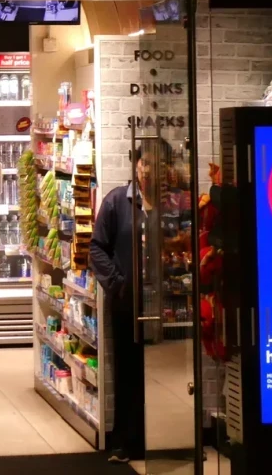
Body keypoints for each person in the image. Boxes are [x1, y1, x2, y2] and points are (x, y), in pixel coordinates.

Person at [90, 148, 154, 463]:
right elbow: (96, 249)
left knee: (161, 369)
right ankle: (127, 441)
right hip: (128, 303)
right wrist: (118, 284)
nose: (149, 169)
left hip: (162, 303)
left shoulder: (172, 203)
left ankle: (165, 440)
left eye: (156, 163)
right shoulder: (117, 201)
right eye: (145, 162)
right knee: (128, 370)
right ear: (136, 165)